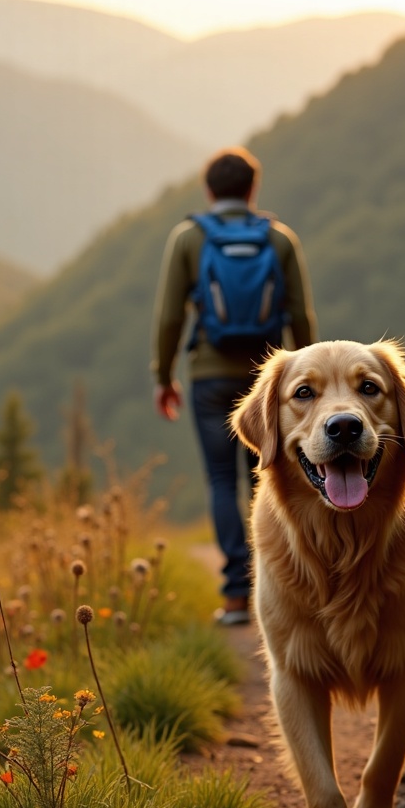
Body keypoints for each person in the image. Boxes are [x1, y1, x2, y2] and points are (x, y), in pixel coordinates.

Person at [152, 147, 316, 625]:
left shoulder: (188, 239)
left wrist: (164, 377)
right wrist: (312, 387)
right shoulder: (280, 240)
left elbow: (169, 316)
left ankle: (236, 597)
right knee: (273, 475)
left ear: (208, 190)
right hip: (272, 381)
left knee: (222, 480)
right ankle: (283, 585)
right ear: (252, 188)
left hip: (209, 377)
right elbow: (301, 315)